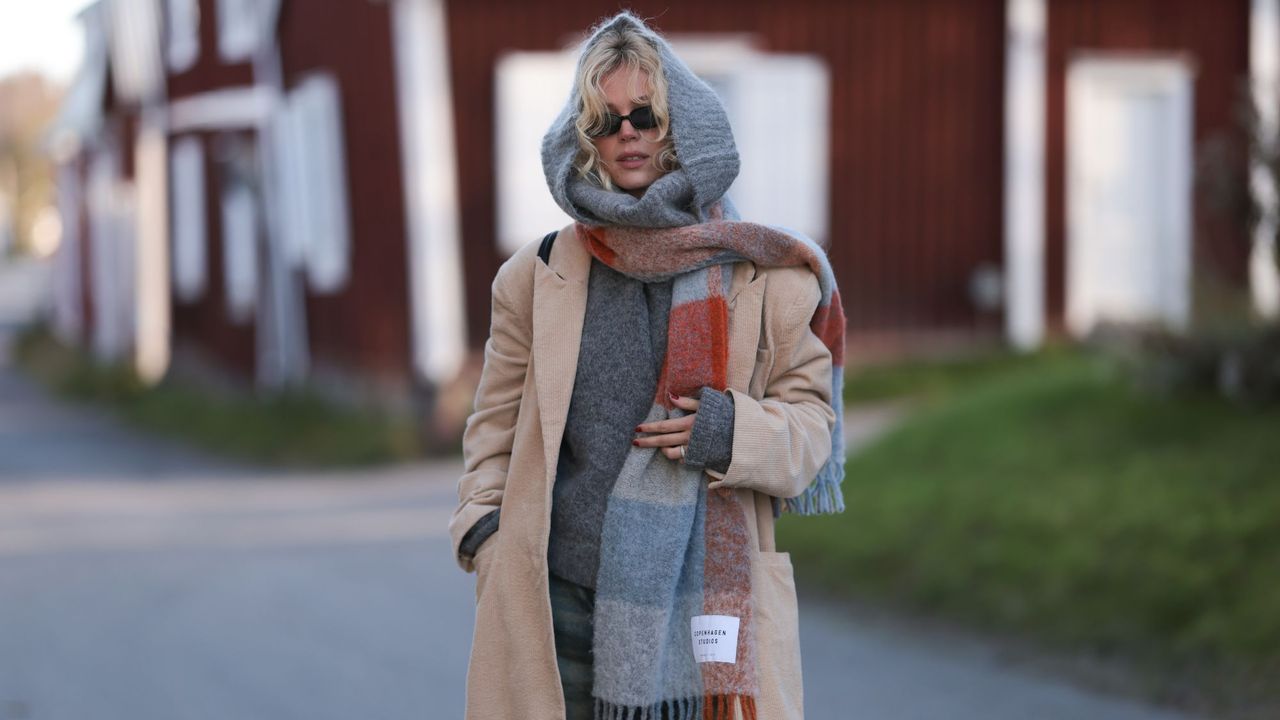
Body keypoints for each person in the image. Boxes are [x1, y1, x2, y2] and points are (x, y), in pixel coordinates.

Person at [449, 11, 847, 720]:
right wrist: (484, 532)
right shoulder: (535, 274)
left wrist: (732, 431)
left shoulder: (767, 272)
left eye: (646, 114)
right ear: (584, 136)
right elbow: (494, 425)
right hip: (553, 592)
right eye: (605, 120)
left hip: (701, 600)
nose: (626, 133)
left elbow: (813, 427)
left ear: (682, 123)